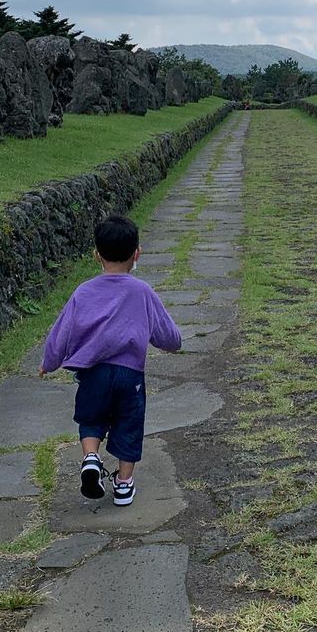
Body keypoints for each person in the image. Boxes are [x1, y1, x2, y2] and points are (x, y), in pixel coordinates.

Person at [39, 214, 181, 504]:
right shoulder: (142, 292)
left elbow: (62, 331)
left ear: (96, 255)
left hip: (93, 373)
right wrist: (173, 344)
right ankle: (124, 483)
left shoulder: (84, 291)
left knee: (91, 418)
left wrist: (49, 361)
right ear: (137, 253)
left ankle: (91, 457)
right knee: (129, 424)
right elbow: (168, 336)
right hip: (130, 376)